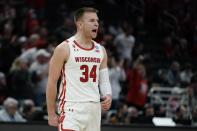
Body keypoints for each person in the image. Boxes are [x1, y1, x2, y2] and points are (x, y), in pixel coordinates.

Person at [46, 7, 112, 131]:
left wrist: (107, 94)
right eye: (92, 20)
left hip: (94, 109)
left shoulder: (101, 50)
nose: (96, 24)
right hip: (71, 107)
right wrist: (51, 112)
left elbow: (104, 80)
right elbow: (52, 81)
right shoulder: (64, 48)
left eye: (97, 21)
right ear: (80, 24)